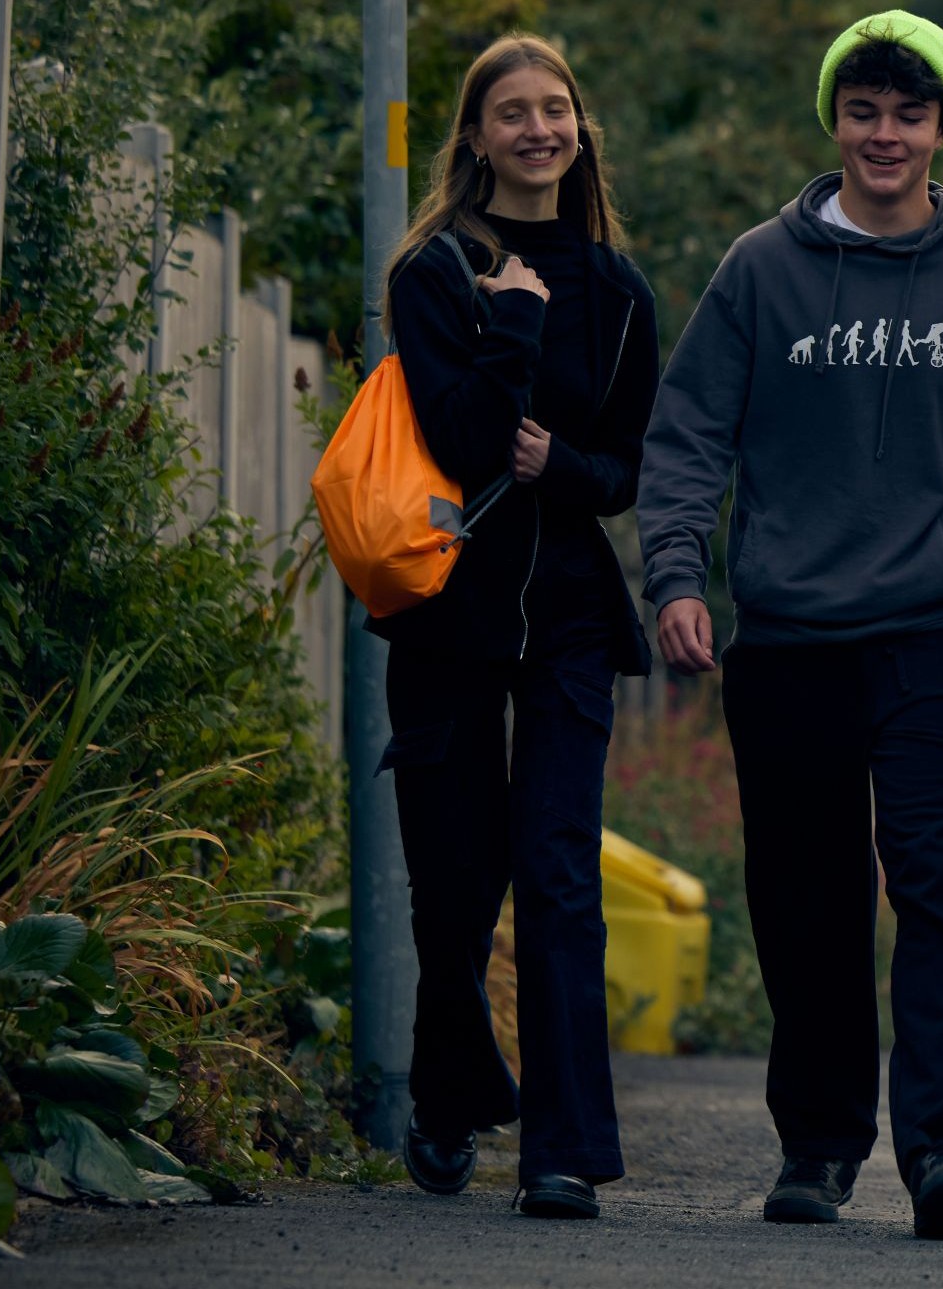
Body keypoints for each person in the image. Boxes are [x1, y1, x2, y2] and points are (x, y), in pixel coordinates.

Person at [636, 10, 943, 1241]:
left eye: (910, 112)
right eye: (865, 109)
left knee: (930, 875)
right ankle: (818, 1144)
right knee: (808, 895)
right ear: (837, 119)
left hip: (934, 631)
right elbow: (687, 436)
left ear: (942, 127)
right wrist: (676, 574)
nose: (886, 133)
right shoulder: (759, 269)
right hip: (790, 638)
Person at [369, 34, 659, 1221]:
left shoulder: (624, 288)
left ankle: (562, 1148)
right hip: (448, 614)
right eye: (512, 113)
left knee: (556, 874)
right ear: (476, 137)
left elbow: (622, 465)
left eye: (557, 110)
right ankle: (447, 1099)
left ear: (579, 131)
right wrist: (516, 329)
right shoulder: (433, 270)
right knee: (453, 885)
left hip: (570, 620)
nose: (539, 129)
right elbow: (458, 435)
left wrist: (565, 464)